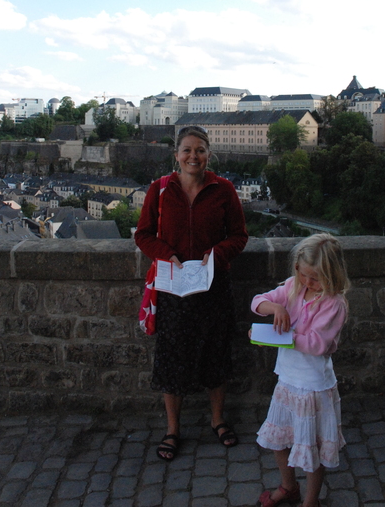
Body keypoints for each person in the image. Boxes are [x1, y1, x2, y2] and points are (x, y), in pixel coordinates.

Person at [135, 125, 248, 461]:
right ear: (176, 155)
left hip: (213, 285)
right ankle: (173, 429)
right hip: (173, 288)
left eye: (200, 150)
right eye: (187, 150)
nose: (193, 156)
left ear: (209, 154)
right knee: (172, 358)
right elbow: (143, 235)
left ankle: (218, 420)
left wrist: (216, 255)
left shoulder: (224, 189)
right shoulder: (159, 189)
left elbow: (239, 236)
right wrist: (165, 254)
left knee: (216, 353)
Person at [251, 233, 350, 507]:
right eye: (302, 274)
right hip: (287, 381)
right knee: (280, 440)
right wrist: (276, 307)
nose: (307, 282)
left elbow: (318, 344)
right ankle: (289, 486)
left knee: (311, 448)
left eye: (315, 278)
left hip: (313, 386)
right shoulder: (293, 286)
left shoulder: (334, 304)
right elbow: (257, 302)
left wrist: (275, 337)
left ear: (332, 275)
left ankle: (310, 501)